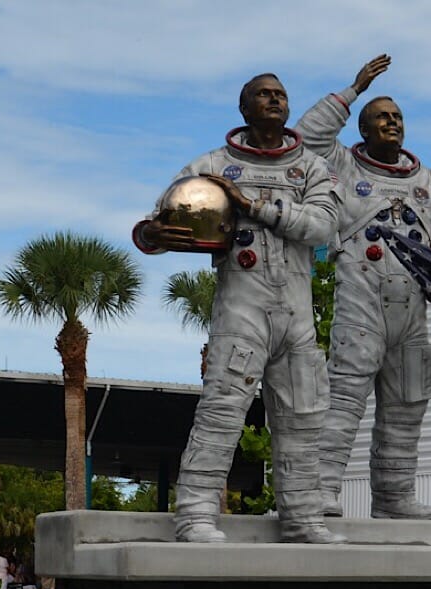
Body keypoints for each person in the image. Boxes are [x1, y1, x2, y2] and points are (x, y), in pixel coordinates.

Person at [134, 73, 344, 544]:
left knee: (303, 417)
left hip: (295, 313)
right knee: (222, 411)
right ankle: (194, 514)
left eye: (281, 94)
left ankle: (303, 518)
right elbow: (162, 218)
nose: (275, 100)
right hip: (241, 308)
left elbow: (323, 227)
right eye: (263, 95)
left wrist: (251, 204)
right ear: (244, 108)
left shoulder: (311, 167)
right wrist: (152, 236)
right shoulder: (212, 165)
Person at [295, 54, 431, 519]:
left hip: (412, 309)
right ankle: (322, 490)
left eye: (398, 117)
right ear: (363, 129)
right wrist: (354, 91)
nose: (392, 123)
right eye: (381, 117)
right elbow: (307, 136)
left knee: (407, 403)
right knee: (344, 399)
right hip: (361, 299)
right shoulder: (344, 168)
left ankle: (394, 497)